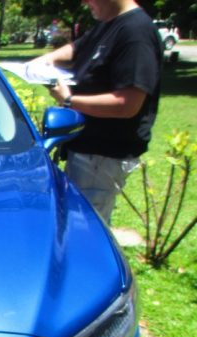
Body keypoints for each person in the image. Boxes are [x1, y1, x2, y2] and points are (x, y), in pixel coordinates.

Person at [28, 0, 162, 224]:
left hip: (103, 155)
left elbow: (128, 104)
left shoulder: (136, 33)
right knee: (74, 221)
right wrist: (45, 61)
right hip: (87, 152)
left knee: (84, 225)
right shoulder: (109, 24)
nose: (83, 2)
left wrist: (68, 100)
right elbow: (77, 49)